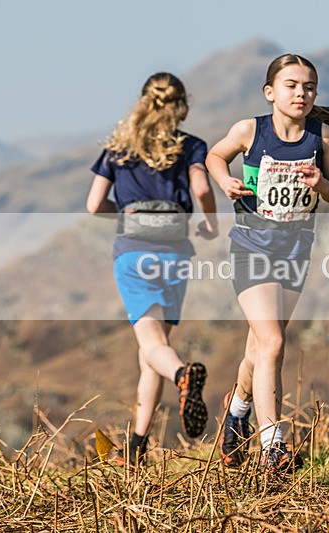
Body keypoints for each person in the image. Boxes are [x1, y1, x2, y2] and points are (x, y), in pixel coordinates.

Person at [206, 53, 329, 471]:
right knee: (273, 343)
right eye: (291, 85)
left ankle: (237, 412)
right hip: (251, 248)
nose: (301, 93)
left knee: (259, 347)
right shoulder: (249, 131)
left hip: (295, 251)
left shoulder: (323, 137)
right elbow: (215, 156)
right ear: (270, 92)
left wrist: (323, 183)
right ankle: (273, 446)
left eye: (309, 87)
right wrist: (225, 180)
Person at [86, 72, 219, 465]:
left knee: (154, 348)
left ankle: (181, 375)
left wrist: (126, 213)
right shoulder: (191, 146)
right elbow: (201, 189)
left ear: (143, 103)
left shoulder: (118, 149)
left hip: (134, 253)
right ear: (183, 108)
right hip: (175, 252)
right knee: (151, 350)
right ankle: (136, 446)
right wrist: (211, 224)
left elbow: (94, 205)